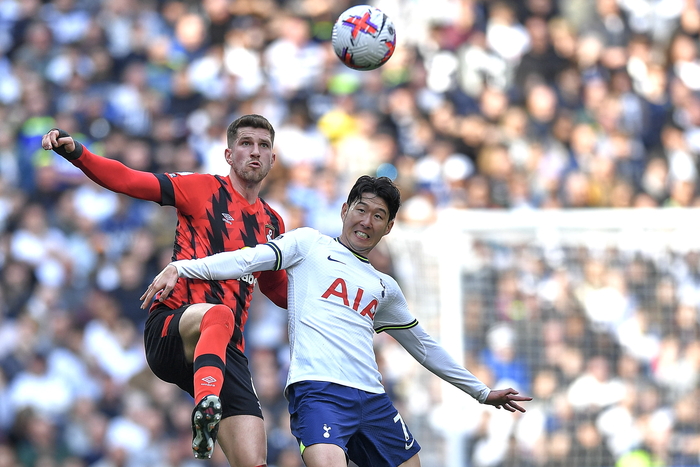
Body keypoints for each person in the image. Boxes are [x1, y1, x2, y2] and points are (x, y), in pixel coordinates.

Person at [141, 175, 532, 467]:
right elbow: (247, 259)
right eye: (361, 209)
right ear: (345, 211)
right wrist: (183, 268)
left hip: (373, 399)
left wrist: (481, 392)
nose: (367, 221)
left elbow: (425, 347)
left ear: (388, 227)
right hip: (318, 394)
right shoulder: (308, 244)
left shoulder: (385, 287)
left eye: (378, 216)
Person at [41, 114, 287, 467]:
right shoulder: (200, 188)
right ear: (228, 154)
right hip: (173, 329)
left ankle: (208, 405)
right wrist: (79, 153)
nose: (255, 151)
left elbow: (278, 291)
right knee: (219, 314)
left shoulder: (273, 223)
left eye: (263, 145)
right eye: (246, 143)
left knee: (254, 462)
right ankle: (206, 406)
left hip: (224, 351)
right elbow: (128, 180)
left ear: (272, 159)